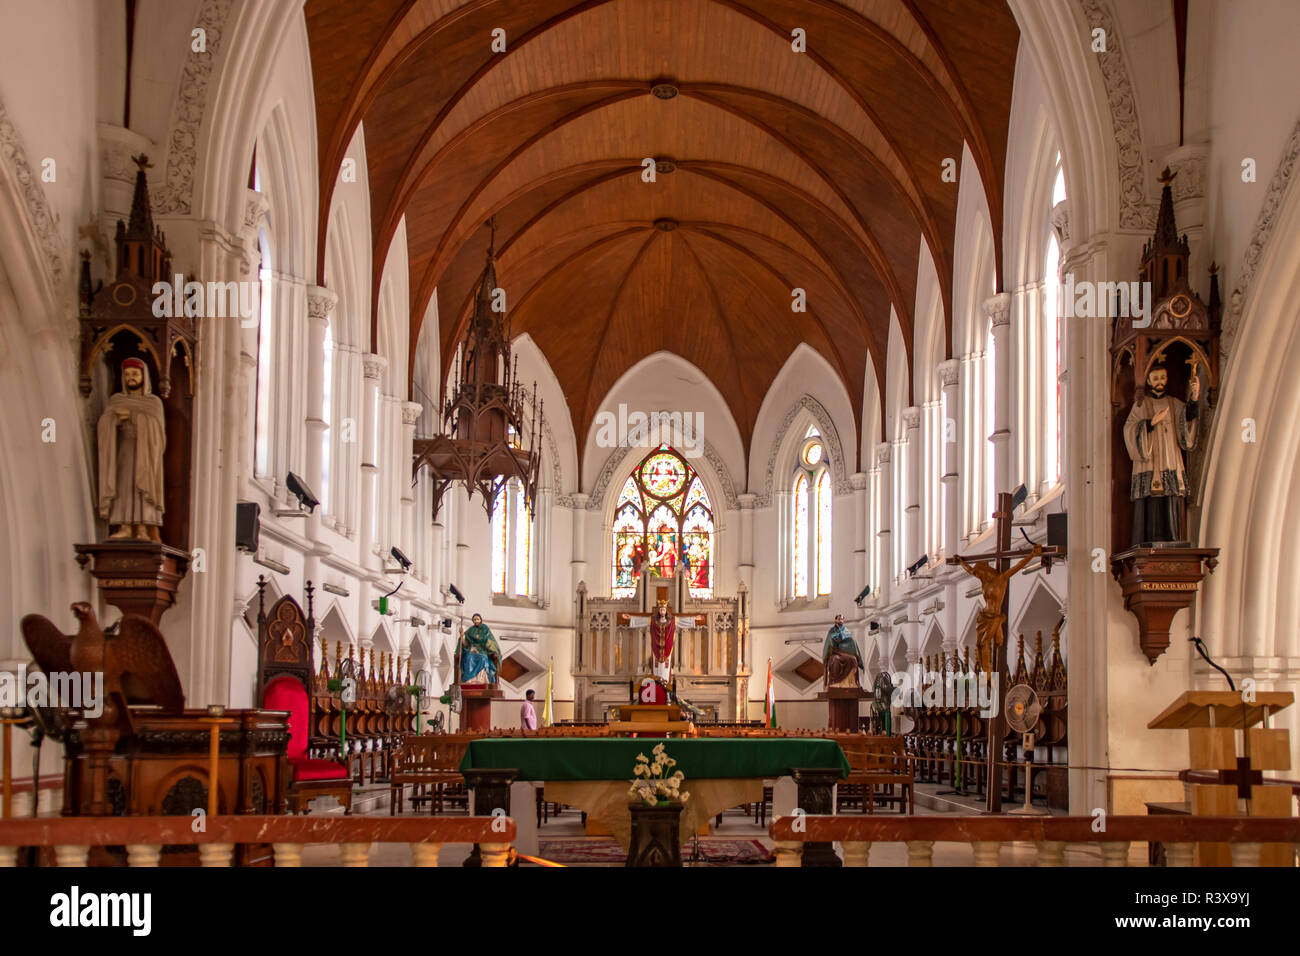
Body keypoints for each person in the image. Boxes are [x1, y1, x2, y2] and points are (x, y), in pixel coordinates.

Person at [1123, 361, 1200, 545]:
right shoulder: (1142, 405)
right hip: (1151, 459)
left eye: (1163, 377)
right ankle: (1153, 537)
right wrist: (1149, 424)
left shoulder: (1173, 403)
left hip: (1170, 456)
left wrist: (1195, 396)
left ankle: (1173, 537)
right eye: (1156, 378)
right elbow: (1129, 428)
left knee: (1171, 495)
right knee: (1153, 497)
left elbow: (1187, 418)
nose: (1160, 381)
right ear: (1149, 381)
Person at [97, 357, 166, 541]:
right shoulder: (117, 399)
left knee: (142, 486)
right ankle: (125, 526)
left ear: (144, 376)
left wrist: (133, 416)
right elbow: (104, 423)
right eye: (127, 375)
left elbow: (159, 433)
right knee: (124, 485)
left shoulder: (153, 402)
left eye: (135, 374)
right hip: (124, 450)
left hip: (146, 454)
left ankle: (143, 527)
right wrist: (114, 420)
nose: (131, 378)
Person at [822, 614, 864, 689]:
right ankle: (835, 682)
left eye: (842, 619)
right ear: (835, 620)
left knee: (853, 659)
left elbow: (850, 641)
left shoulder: (846, 630)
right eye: (838, 619)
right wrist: (839, 639)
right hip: (835, 651)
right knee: (836, 659)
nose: (840, 621)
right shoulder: (832, 631)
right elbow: (831, 643)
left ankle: (851, 682)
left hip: (845, 652)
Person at [458, 613, 501, 684]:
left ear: (480, 620)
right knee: (468, 658)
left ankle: (480, 680)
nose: (476, 621)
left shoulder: (484, 628)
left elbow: (488, 640)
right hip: (472, 651)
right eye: (474, 619)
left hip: (482, 651)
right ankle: (469, 679)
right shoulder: (471, 630)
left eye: (477, 619)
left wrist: (480, 639)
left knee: (482, 659)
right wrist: (462, 636)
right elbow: (466, 644)